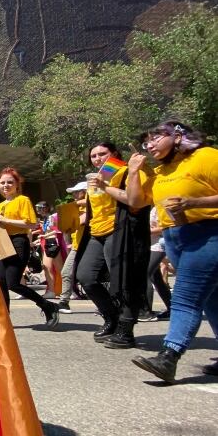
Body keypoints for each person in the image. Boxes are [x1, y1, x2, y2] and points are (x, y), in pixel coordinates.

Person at [125, 121, 218, 383]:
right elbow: (134, 202)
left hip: (209, 233)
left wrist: (194, 202)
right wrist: (133, 171)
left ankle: (169, 356)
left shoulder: (206, 157)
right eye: (147, 142)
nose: (150, 145)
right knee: (211, 300)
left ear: (178, 135)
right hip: (175, 237)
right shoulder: (160, 172)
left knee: (185, 298)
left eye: (155, 138)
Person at [76, 142, 151, 349]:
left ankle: (126, 330)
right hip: (95, 233)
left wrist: (105, 186)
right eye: (93, 156)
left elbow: (135, 201)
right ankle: (112, 318)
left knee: (123, 281)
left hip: (119, 232)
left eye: (102, 154)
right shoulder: (94, 178)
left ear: (114, 154)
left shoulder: (127, 172)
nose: (98, 158)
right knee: (85, 277)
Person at [0, 167, 59, 329]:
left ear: (17, 184)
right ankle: (4, 319)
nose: (6, 185)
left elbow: (31, 223)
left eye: (10, 182)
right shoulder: (1, 204)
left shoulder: (23, 200)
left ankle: (48, 306)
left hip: (18, 242)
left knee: (13, 283)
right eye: (2, 183)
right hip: (1, 242)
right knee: (0, 282)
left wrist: (5, 219)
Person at [56, 182, 88, 314]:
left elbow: (77, 222)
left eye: (77, 191)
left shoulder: (91, 207)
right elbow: (67, 228)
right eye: (74, 192)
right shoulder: (76, 208)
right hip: (77, 246)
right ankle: (64, 302)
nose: (74, 195)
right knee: (66, 272)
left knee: (90, 277)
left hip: (90, 245)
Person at [138, 208, 172, 322]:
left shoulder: (162, 206)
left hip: (159, 244)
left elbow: (168, 226)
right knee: (156, 278)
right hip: (150, 244)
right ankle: (172, 309)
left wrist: (147, 230)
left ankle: (146, 311)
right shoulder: (153, 206)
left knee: (144, 274)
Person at [34, 201, 65, 299]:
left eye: (41, 208)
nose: (39, 210)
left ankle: (68, 290)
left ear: (46, 208)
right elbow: (47, 230)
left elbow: (56, 231)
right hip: (47, 243)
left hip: (53, 242)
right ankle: (51, 290)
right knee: (47, 267)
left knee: (60, 269)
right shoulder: (45, 218)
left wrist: (44, 235)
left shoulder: (52, 217)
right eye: (38, 208)